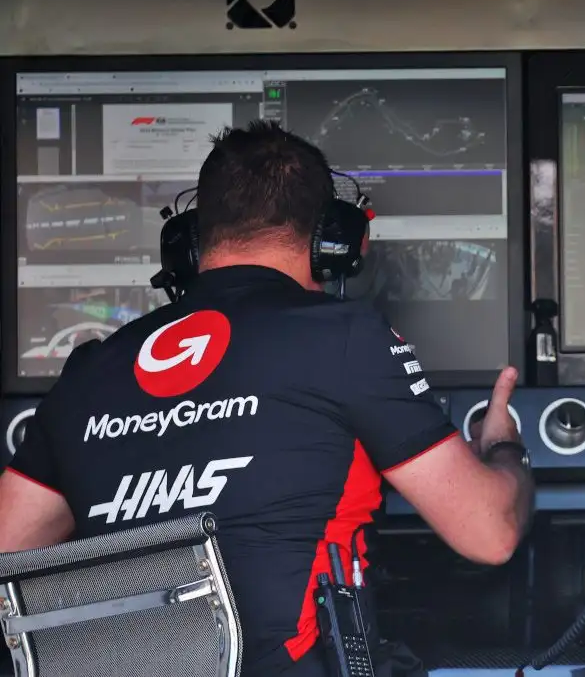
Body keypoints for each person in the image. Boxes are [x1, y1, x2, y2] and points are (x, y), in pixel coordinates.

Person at [0, 121, 535, 677]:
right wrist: (502, 450)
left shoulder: (89, 370)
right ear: (335, 242)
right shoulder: (346, 338)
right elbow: (488, 532)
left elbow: (9, 549)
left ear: (188, 243)